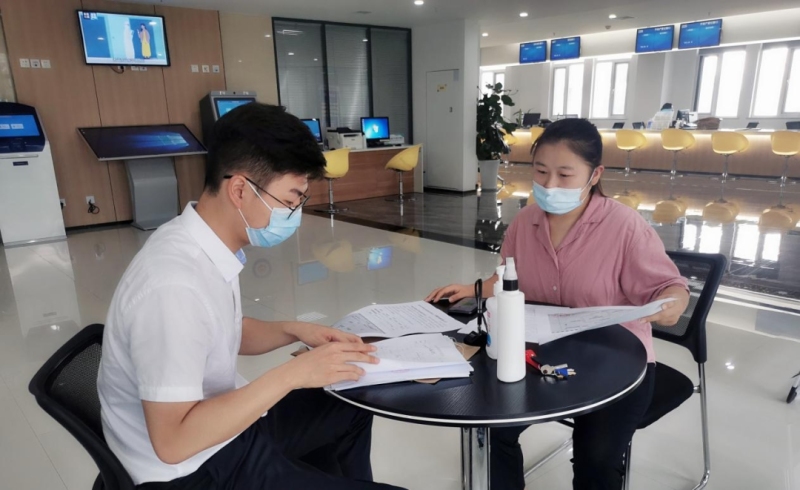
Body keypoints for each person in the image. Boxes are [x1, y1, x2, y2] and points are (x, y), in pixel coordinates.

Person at [97, 103, 404, 490]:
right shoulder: (173, 285)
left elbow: (222, 332)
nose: (295, 213)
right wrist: (293, 375)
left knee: (350, 405)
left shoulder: (200, 243)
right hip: (194, 470)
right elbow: (173, 443)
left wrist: (296, 330)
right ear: (240, 189)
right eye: (290, 199)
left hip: (222, 433)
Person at [426, 118, 689, 490]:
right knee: (493, 428)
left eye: (565, 175)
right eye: (540, 171)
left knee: (597, 460)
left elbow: (668, 286)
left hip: (614, 366)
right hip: (541, 357)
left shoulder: (625, 227)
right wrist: (472, 288)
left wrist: (672, 302)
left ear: (595, 175)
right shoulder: (525, 222)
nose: (549, 185)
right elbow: (509, 278)